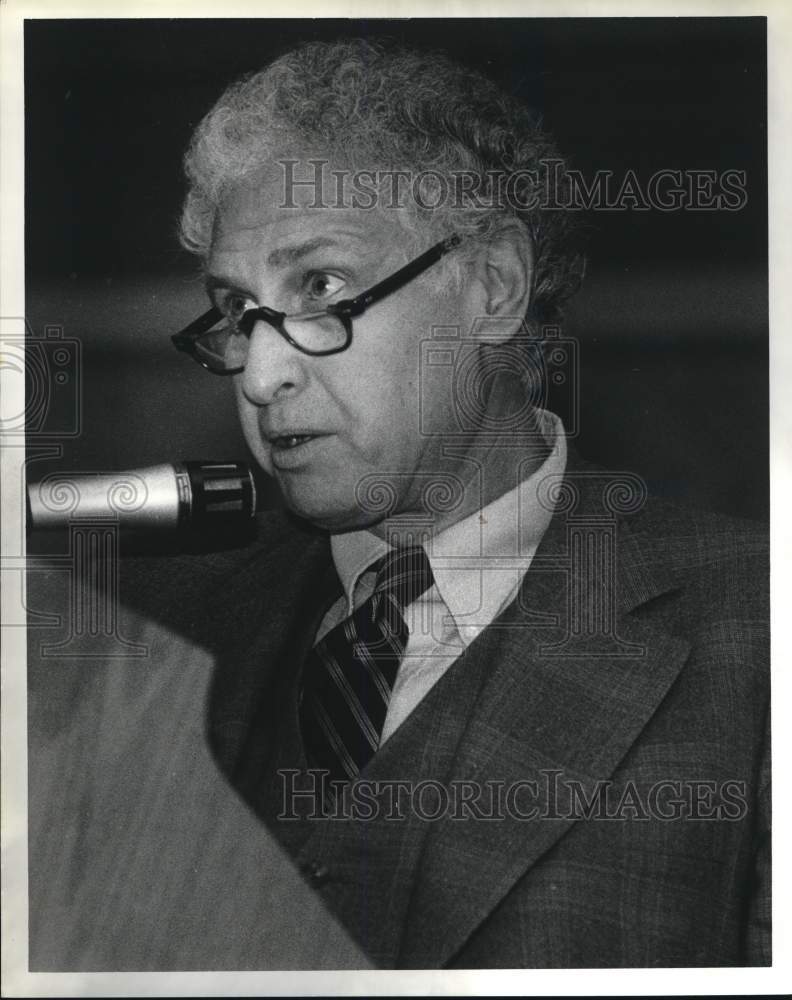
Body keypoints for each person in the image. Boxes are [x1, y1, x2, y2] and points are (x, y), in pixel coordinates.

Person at [27, 38, 769, 970]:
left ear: (493, 285)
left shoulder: (756, 628)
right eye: (234, 308)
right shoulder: (147, 641)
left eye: (321, 287)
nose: (260, 374)